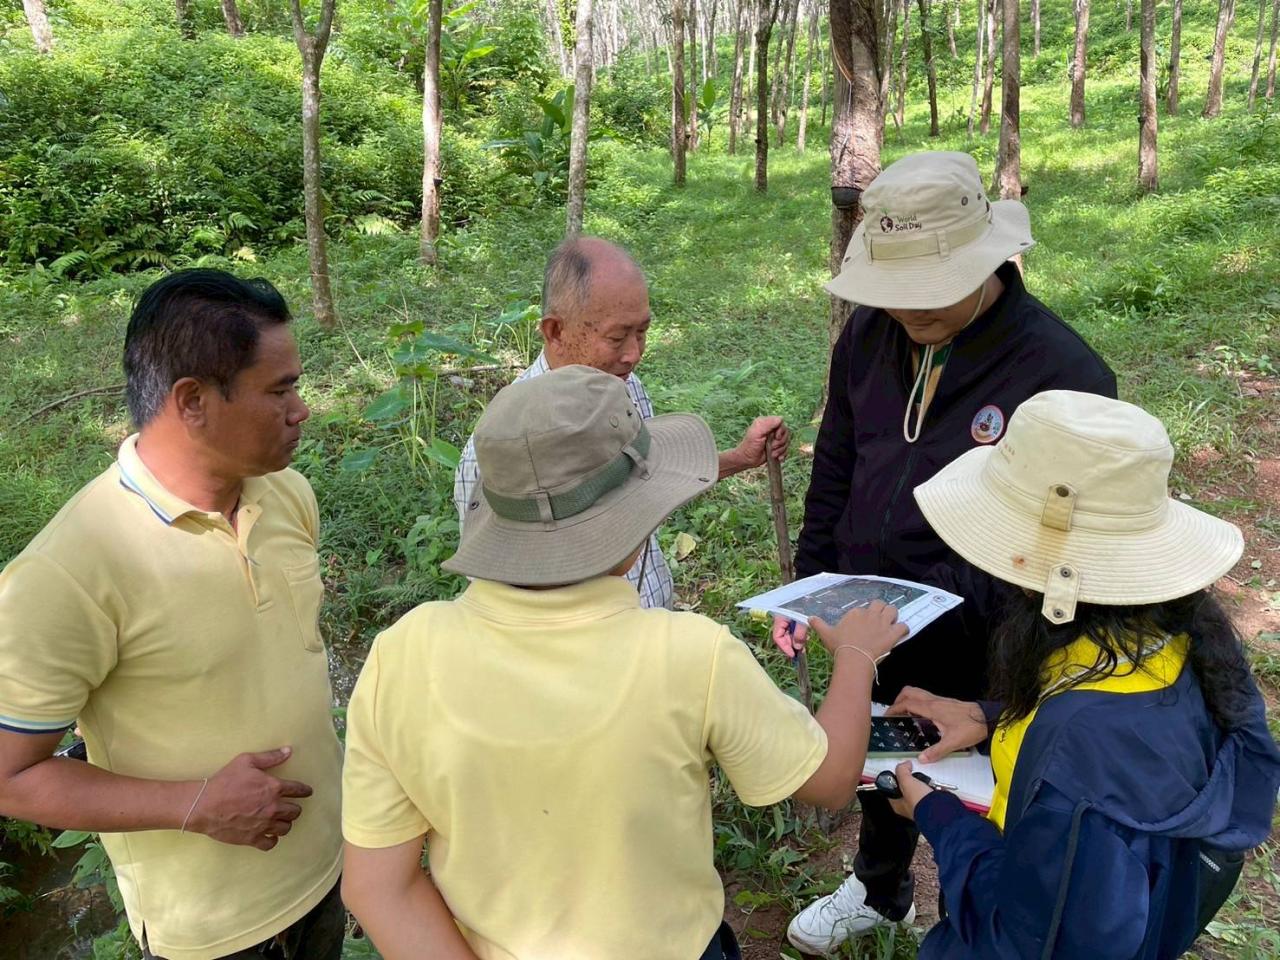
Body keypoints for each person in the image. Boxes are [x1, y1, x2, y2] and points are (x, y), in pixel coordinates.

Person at [341, 365, 908, 960]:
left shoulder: (402, 654)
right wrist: (853, 653)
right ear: (637, 517)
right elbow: (830, 781)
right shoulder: (691, 656)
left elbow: (380, 886)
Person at [782, 151, 1119, 954]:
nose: (910, 312)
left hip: (991, 632)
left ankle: (980, 910)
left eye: (929, 293)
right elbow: (838, 461)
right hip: (869, 619)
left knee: (988, 776)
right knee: (878, 757)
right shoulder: (868, 336)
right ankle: (879, 886)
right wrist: (812, 583)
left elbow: (1065, 543)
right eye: (893, 295)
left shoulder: (1061, 372)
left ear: (988, 260)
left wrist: (928, 611)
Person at [0, 270, 345, 960]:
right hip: (213, 933)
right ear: (192, 401)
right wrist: (196, 804)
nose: (302, 409)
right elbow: (10, 775)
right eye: (280, 389)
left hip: (326, 878)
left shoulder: (287, 495)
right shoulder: (70, 571)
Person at [882, 390, 1280, 959]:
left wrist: (935, 814)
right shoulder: (1177, 638)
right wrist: (990, 717)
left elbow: (1020, 937)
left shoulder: (1082, 752)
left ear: (1047, 577)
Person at [454, 235, 789, 611]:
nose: (634, 354)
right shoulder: (504, 452)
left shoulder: (620, 390)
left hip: (648, 626)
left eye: (642, 332)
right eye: (616, 337)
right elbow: (505, 605)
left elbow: (639, 482)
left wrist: (740, 458)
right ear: (555, 331)